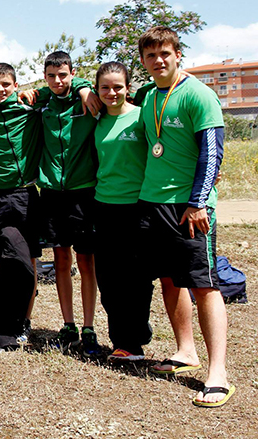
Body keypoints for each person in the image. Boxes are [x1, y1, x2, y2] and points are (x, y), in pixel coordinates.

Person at [137, 26, 232, 408]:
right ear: (143, 62)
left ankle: (218, 372)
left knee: (203, 284)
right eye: (151, 56)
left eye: (165, 53)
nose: (159, 60)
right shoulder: (149, 97)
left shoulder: (199, 95)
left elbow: (212, 154)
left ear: (179, 55)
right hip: (152, 202)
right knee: (169, 279)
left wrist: (197, 203)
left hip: (189, 207)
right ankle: (185, 351)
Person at [37, 51, 101, 356]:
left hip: (83, 194)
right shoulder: (42, 102)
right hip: (51, 194)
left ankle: (89, 327)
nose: (57, 81)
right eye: (51, 76)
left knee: (86, 262)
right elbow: (17, 94)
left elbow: (99, 91)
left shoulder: (85, 99)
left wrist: (84, 87)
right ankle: (68, 324)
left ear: (73, 73)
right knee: (61, 260)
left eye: (63, 75)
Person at [92, 62, 154, 362]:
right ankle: (121, 338)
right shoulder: (97, 119)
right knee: (108, 278)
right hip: (104, 207)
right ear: (97, 89)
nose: (112, 92)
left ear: (128, 87)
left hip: (137, 208)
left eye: (118, 86)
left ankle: (133, 341)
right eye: (105, 87)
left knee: (136, 279)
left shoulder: (143, 117)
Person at [0, 63, 41, 349]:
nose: (1, 89)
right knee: (5, 260)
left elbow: (62, 89)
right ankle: (1, 319)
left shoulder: (31, 110)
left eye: (6, 84)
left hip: (25, 193)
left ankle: (24, 320)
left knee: (28, 260)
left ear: (16, 85)